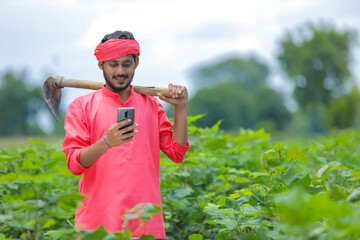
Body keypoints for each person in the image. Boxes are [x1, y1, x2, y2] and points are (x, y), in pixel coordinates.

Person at [62, 30, 190, 239]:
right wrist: (106, 142)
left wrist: (181, 108)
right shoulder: (81, 107)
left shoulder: (151, 105)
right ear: (100, 65)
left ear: (136, 63)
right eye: (113, 64)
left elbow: (177, 153)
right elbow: (75, 164)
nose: (120, 71)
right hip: (97, 224)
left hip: (145, 223)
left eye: (126, 64)